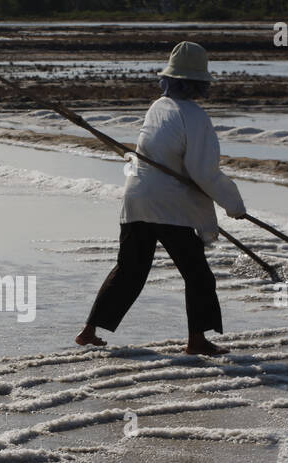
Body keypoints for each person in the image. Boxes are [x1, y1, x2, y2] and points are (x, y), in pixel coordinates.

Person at [77, 42, 246, 357]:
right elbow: (204, 173)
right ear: (198, 82)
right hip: (169, 206)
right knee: (197, 273)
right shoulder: (195, 116)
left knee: (129, 270)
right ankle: (197, 340)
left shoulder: (158, 106)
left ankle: (89, 331)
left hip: (137, 197)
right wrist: (234, 205)